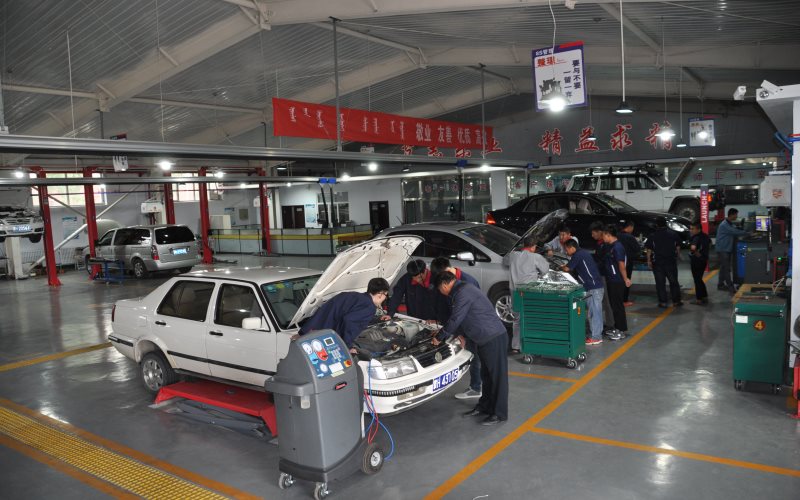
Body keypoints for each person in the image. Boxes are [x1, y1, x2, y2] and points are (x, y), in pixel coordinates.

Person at [433, 271, 508, 426]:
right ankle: (485, 407)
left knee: (497, 377)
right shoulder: (460, 290)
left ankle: (499, 413)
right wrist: (460, 334)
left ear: (445, 285)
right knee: (486, 375)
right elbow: (465, 318)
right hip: (483, 338)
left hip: (493, 337)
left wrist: (440, 337)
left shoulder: (463, 292)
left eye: (439, 289)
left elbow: (456, 318)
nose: (440, 292)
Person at [430, 257, 483, 400]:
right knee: (471, 354)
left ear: (447, 271)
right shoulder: (447, 282)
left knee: (475, 356)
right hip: (457, 326)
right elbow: (446, 308)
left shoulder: (468, 282)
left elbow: (464, 314)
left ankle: (476, 388)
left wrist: (461, 333)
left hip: (472, 327)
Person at [300, 277, 390, 350]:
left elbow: (351, 315)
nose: (385, 298)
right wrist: (347, 346)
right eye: (386, 295)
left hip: (311, 331)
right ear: (380, 294)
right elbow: (350, 321)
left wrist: (376, 319)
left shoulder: (353, 296)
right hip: (322, 340)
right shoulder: (369, 307)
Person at [503, 235, 550, 353]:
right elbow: (545, 270)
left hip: (515, 291)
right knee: (532, 317)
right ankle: (532, 345)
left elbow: (504, 260)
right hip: (530, 292)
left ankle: (516, 346)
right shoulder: (536, 257)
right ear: (533, 247)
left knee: (517, 319)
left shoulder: (513, 255)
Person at [561, 239, 606, 345]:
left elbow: (567, 268)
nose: (566, 252)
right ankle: (595, 335)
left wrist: (560, 267)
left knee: (595, 313)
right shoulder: (582, 253)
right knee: (592, 313)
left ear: (572, 248)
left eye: (566, 249)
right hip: (592, 287)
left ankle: (596, 337)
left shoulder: (578, 255)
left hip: (594, 287)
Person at [644, 218, 683, 308]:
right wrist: (678, 256)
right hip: (670, 262)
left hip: (658, 263)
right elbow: (678, 247)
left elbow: (649, 250)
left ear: (657, 225)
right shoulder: (673, 234)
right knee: (673, 282)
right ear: (665, 224)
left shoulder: (652, 235)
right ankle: (676, 301)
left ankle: (663, 302)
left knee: (660, 283)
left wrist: (649, 261)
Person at [601, 225, 631, 339]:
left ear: (608, 235)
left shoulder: (617, 247)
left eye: (603, 235)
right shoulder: (611, 246)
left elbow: (621, 264)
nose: (603, 238)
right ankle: (616, 328)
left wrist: (625, 279)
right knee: (614, 305)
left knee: (618, 306)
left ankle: (621, 331)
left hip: (617, 281)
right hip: (612, 279)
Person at [590, 221, 616, 335]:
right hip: (600, 274)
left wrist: (595, 266)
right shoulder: (599, 243)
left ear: (600, 232)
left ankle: (611, 324)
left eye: (593, 233)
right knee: (604, 300)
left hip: (605, 275)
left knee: (607, 300)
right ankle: (608, 322)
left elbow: (604, 260)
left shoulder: (606, 245)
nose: (592, 236)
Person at [715, 208, 749, 293]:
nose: (736, 216)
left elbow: (735, 228)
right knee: (726, 269)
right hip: (723, 249)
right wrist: (748, 233)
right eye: (736, 214)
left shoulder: (729, 223)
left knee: (723, 267)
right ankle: (731, 287)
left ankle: (720, 285)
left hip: (726, 248)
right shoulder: (724, 225)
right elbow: (734, 231)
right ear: (732, 215)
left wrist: (741, 228)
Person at [617, 220, 641, 307]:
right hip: (627, 263)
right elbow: (638, 249)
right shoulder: (630, 237)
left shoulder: (617, 235)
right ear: (630, 227)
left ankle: (617, 299)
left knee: (618, 281)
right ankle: (624, 300)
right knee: (626, 280)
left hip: (616, 262)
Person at [688, 222, 711, 305]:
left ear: (699, 229)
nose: (691, 230)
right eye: (690, 228)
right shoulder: (706, 236)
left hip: (696, 261)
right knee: (699, 278)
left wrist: (695, 254)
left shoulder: (696, 238)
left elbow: (693, 249)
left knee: (697, 280)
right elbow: (710, 243)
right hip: (704, 261)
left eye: (692, 229)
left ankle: (699, 299)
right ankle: (704, 295)